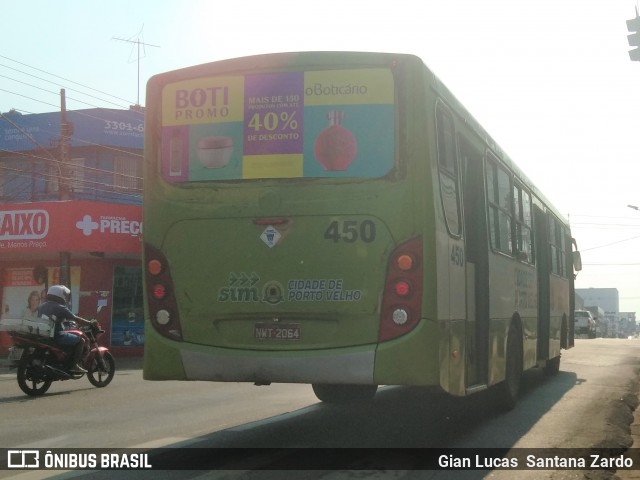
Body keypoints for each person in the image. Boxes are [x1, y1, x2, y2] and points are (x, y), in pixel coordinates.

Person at [38, 285, 93, 373]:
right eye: (65, 296)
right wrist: (89, 323)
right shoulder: (60, 307)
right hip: (57, 336)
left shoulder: (42, 306)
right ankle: (74, 366)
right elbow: (75, 318)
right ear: (60, 295)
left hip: (43, 335)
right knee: (81, 340)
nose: (66, 298)